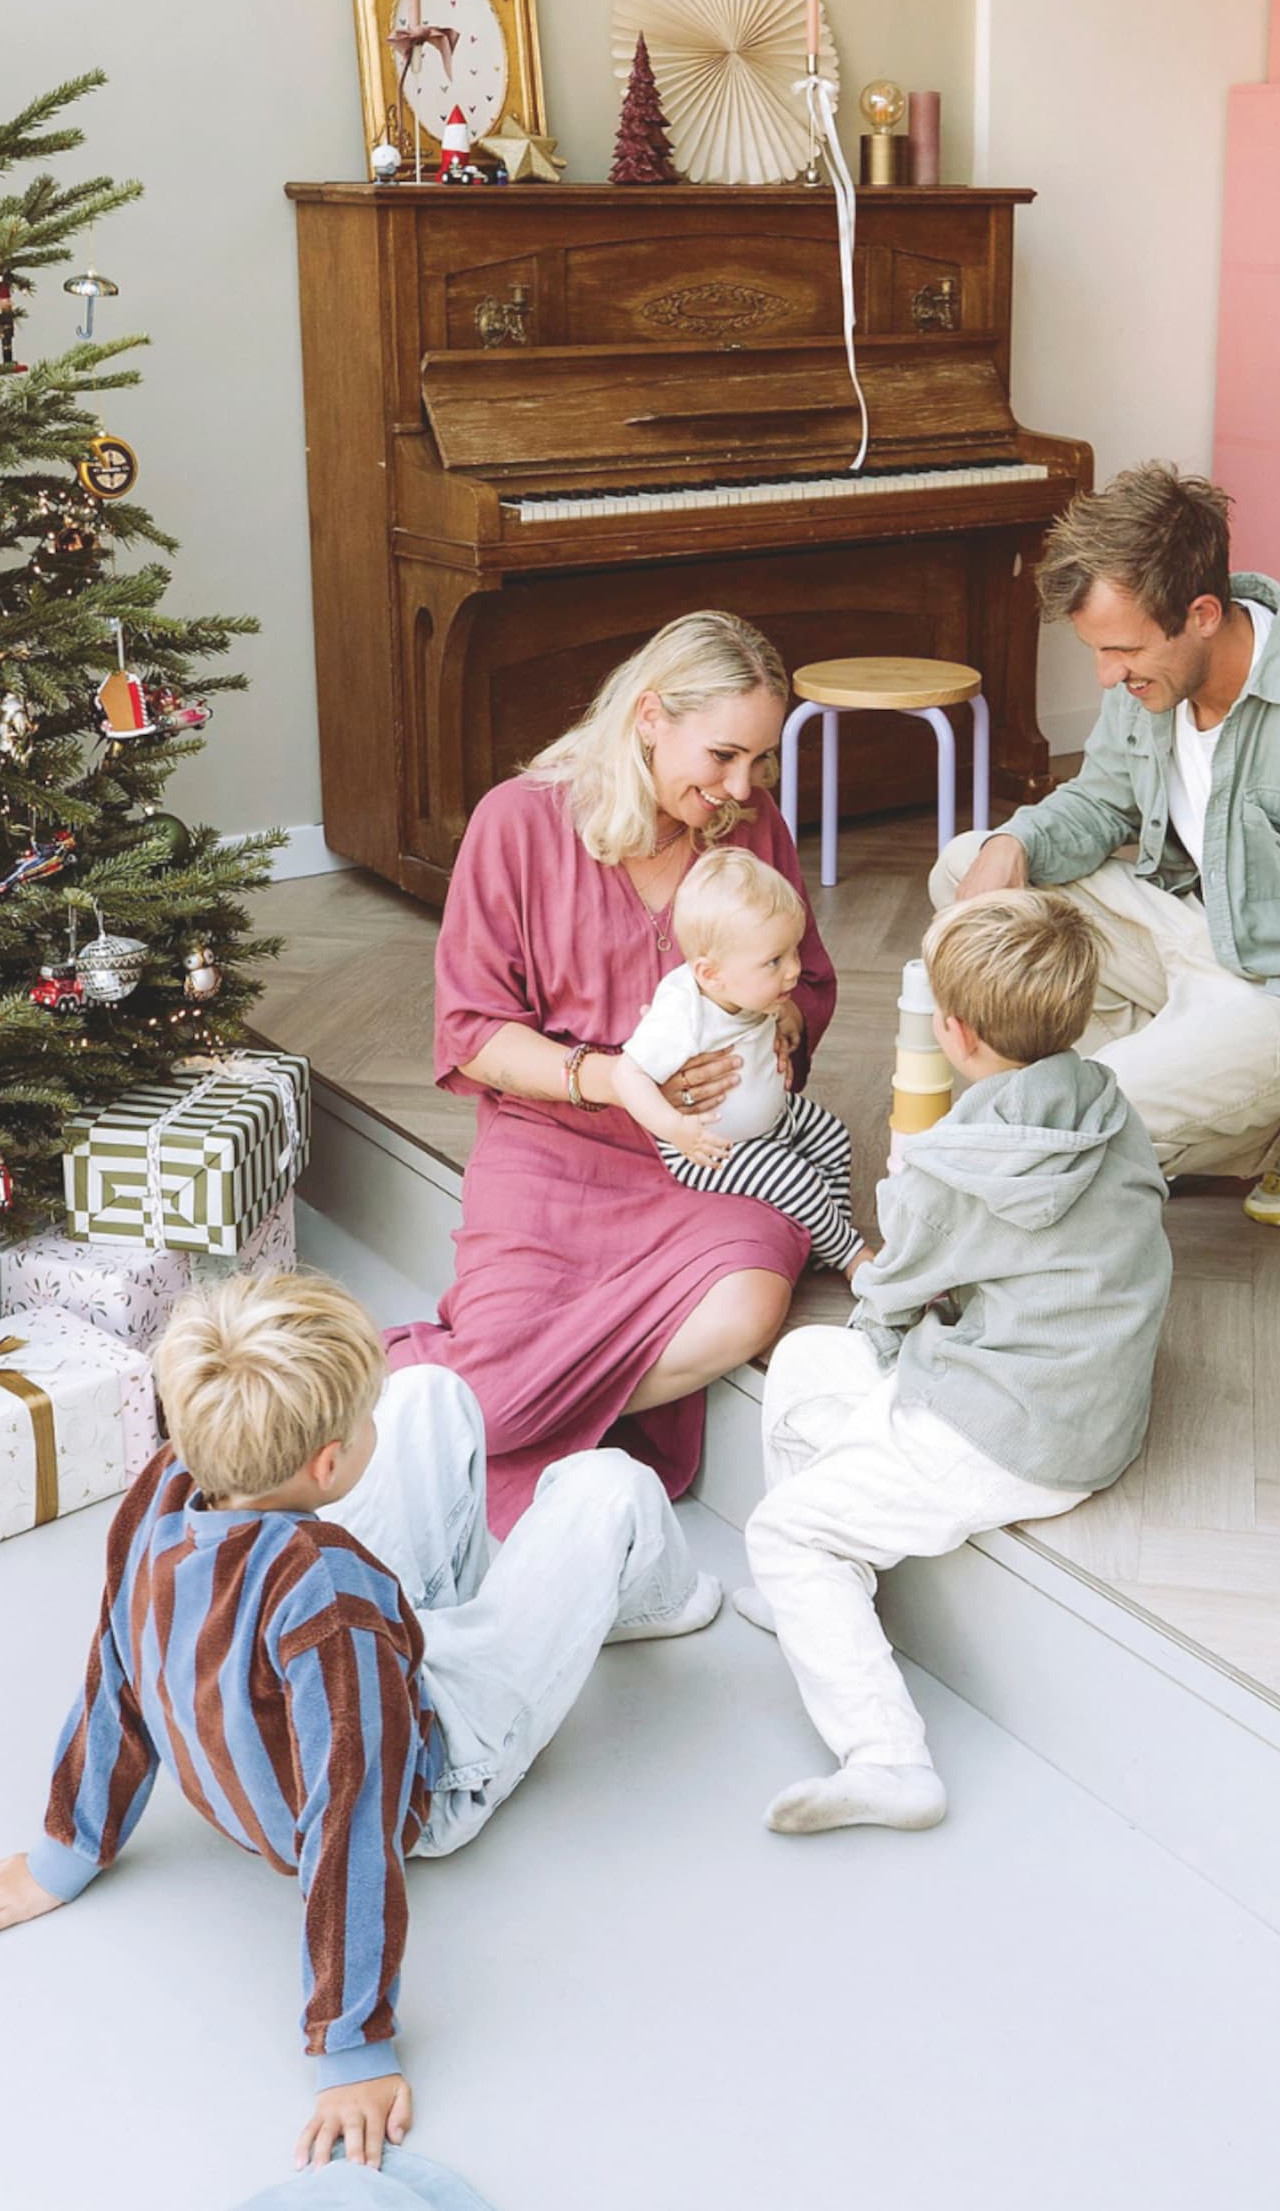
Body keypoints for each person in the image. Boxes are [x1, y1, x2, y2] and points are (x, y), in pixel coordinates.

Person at [0, 1271, 720, 2173]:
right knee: (609, 1486)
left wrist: (66, 1849)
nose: (375, 1426)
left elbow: (118, 1666)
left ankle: (458, 1617)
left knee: (435, 1395)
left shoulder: (165, 1487)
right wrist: (350, 2046)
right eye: (358, 1424)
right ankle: (665, 1600)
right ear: (326, 1466)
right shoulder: (327, 1597)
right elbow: (353, 1809)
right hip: (433, 1767)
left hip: (313, 1713)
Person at [942, 462, 1280, 1335]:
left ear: (1201, 613)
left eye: (1122, 652)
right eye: (1097, 652)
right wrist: (1015, 843)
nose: (1107, 678)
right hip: (1197, 931)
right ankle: (1194, 1101)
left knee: (1081, 1106)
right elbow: (1100, 800)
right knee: (972, 869)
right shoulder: (1154, 683)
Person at [386, 611, 837, 1531]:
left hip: (714, 1157)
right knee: (506, 1382)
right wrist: (614, 1078)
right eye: (721, 756)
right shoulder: (517, 823)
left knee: (750, 1304)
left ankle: (469, 1421)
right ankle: (488, 1408)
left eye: (760, 761)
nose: (741, 786)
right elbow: (474, 1032)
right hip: (552, 1140)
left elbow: (809, 976)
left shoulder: (751, 828)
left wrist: (782, 1016)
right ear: (648, 716)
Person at [740, 890, 1170, 1834]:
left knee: (783, 1530)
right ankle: (813, 1605)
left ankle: (888, 1757)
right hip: (1094, 1405)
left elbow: (893, 1290)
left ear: (954, 1031)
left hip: (1009, 1431)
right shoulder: (1105, 1105)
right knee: (812, 1358)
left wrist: (907, 1190)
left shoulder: (951, 1165)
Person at [611, 845, 870, 1280]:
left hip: (775, 1118)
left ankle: (826, 1235)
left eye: (793, 952)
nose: (793, 972)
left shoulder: (751, 984)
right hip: (717, 1149)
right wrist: (678, 1131)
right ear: (711, 974)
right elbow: (626, 1073)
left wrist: (785, 1015)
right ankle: (849, 1255)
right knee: (796, 1178)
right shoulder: (682, 1011)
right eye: (775, 960)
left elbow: (773, 1007)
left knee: (834, 1137)